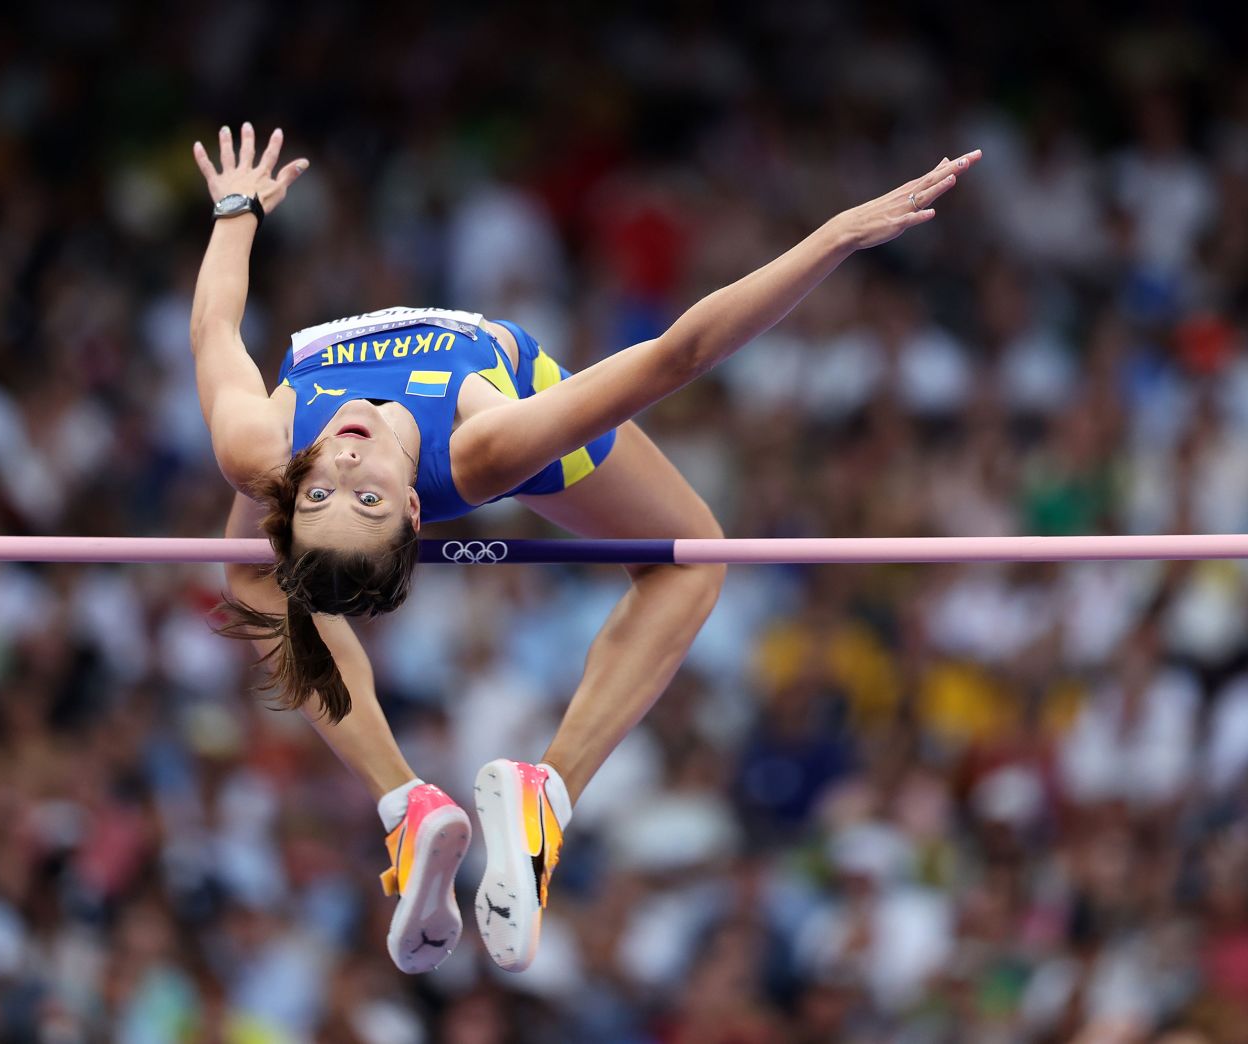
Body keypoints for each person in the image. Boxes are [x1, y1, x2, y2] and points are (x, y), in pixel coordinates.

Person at [189, 122, 979, 974]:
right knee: (695, 560)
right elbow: (680, 355)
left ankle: (439, 805)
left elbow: (214, 332)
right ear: (412, 510)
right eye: (360, 495)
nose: (342, 462)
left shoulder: (263, 448)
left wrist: (237, 211)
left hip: (448, 418)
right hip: (502, 397)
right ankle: (514, 799)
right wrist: (831, 240)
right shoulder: (479, 444)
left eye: (328, 490)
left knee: (250, 569)